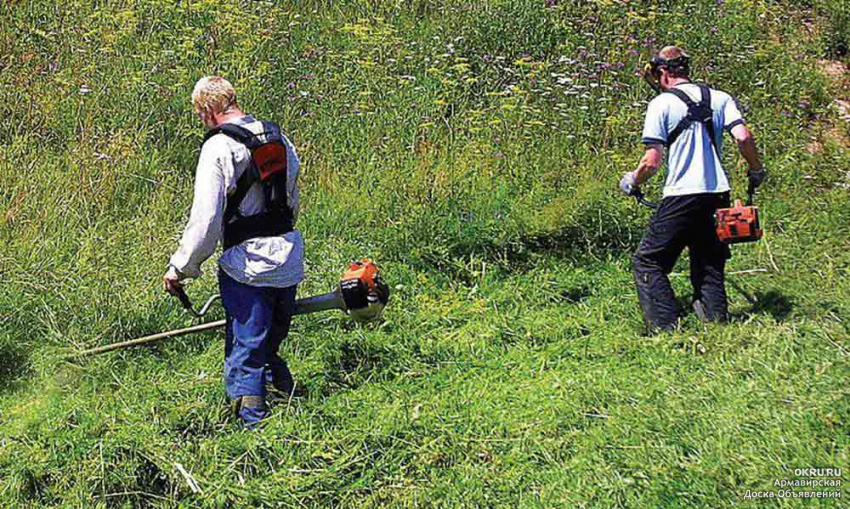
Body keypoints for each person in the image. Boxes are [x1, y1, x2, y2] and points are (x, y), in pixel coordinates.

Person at [163, 76, 304, 426]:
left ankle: (253, 432)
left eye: (199, 115)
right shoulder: (278, 138)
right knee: (268, 343)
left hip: (248, 265)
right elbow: (292, 199)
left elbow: (207, 220)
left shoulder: (219, 147)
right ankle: (289, 410)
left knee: (247, 350)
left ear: (208, 110)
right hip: (288, 256)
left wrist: (180, 267)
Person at [619, 46, 766, 333]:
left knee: (648, 262)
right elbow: (743, 136)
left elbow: (652, 161)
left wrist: (632, 181)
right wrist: (756, 170)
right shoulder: (720, 98)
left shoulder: (661, 104)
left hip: (681, 195)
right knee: (709, 262)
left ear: (662, 73)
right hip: (717, 194)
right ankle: (717, 326)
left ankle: (664, 330)